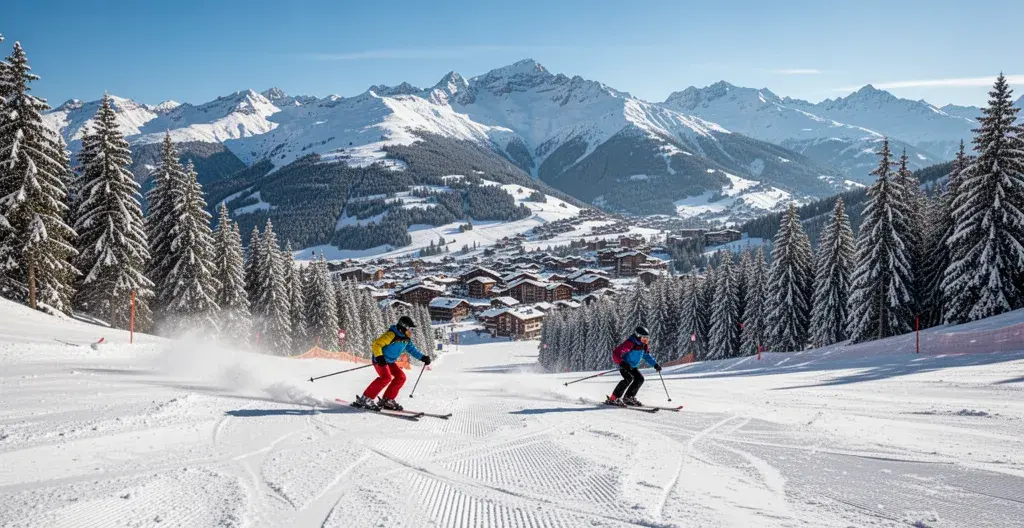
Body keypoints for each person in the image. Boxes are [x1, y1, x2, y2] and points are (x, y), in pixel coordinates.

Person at [353, 315, 432, 411]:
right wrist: (379, 357)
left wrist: (423, 357)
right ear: (403, 327)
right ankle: (365, 399)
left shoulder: (406, 339)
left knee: (401, 377)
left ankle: (387, 400)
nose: (411, 331)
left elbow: (412, 350)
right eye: (409, 329)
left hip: (390, 361)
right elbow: (376, 344)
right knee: (386, 378)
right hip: (380, 360)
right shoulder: (391, 334)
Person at [605, 326, 661, 407]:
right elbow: (616, 353)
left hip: (632, 367)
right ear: (637, 336)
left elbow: (646, 356)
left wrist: (655, 364)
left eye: (646, 339)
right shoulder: (630, 343)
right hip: (625, 366)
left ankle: (628, 397)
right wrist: (621, 363)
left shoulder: (643, 346)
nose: (645, 341)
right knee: (628, 379)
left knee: (640, 379)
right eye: (643, 338)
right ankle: (613, 398)